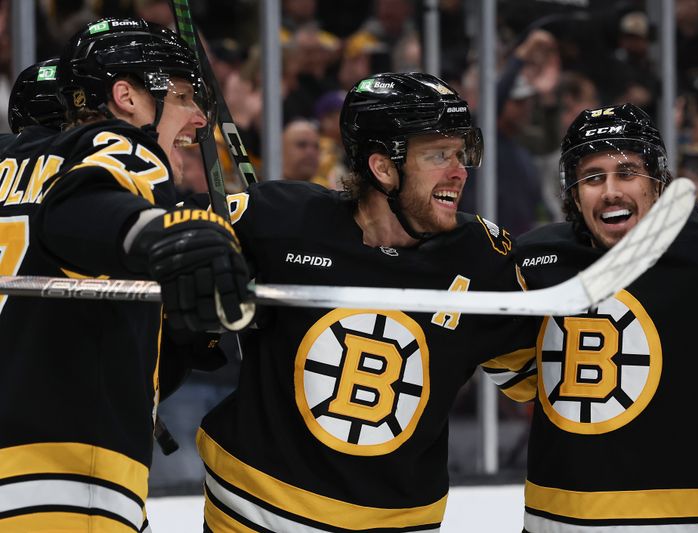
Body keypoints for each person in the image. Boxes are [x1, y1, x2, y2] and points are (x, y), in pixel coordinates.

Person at [195, 72, 536, 532]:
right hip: (254, 508)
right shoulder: (279, 218)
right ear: (382, 168)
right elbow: (174, 233)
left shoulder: (482, 259)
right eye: (438, 155)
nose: (459, 171)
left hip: (395, 521)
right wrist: (205, 262)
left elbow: (544, 380)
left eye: (460, 153)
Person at [0, 18, 251, 532]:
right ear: (126, 97)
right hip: (61, 478)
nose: (200, 119)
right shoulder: (121, 146)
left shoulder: (9, 162)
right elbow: (76, 215)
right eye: (184, 97)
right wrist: (161, 234)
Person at [507, 103, 698, 532]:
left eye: (627, 172)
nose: (611, 190)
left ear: (656, 183)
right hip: (564, 524)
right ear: (574, 194)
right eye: (593, 178)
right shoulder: (536, 260)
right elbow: (517, 377)